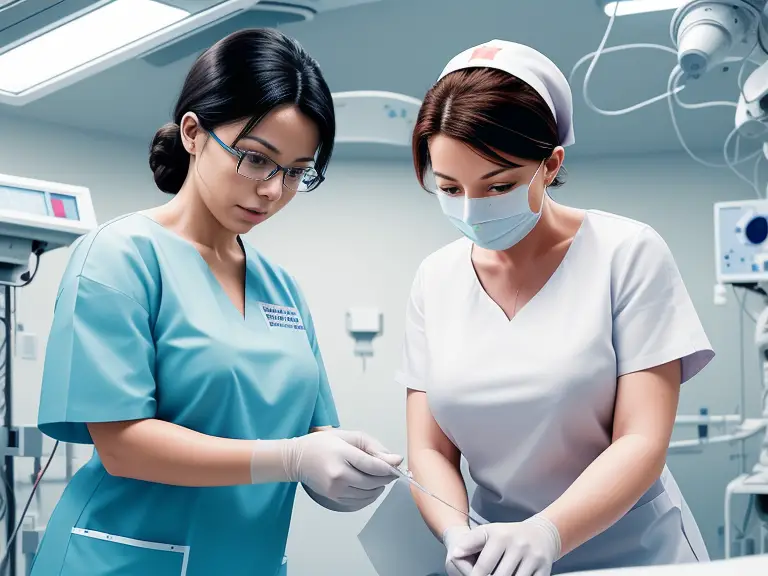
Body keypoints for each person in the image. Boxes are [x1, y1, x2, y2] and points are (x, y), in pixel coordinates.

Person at [31, 28, 402, 576]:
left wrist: (345, 470)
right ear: (192, 133)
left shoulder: (281, 289)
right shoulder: (118, 258)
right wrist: (292, 459)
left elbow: (312, 431)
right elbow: (123, 444)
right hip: (120, 560)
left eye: (298, 172)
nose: (273, 190)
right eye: (256, 159)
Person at [400, 40, 713, 576]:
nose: (473, 210)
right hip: (498, 561)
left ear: (550, 165)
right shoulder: (435, 279)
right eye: (449, 187)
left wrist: (548, 532)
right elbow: (429, 450)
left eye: (498, 185)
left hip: (637, 555)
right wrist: (455, 532)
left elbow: (641, 440)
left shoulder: (626, 253)